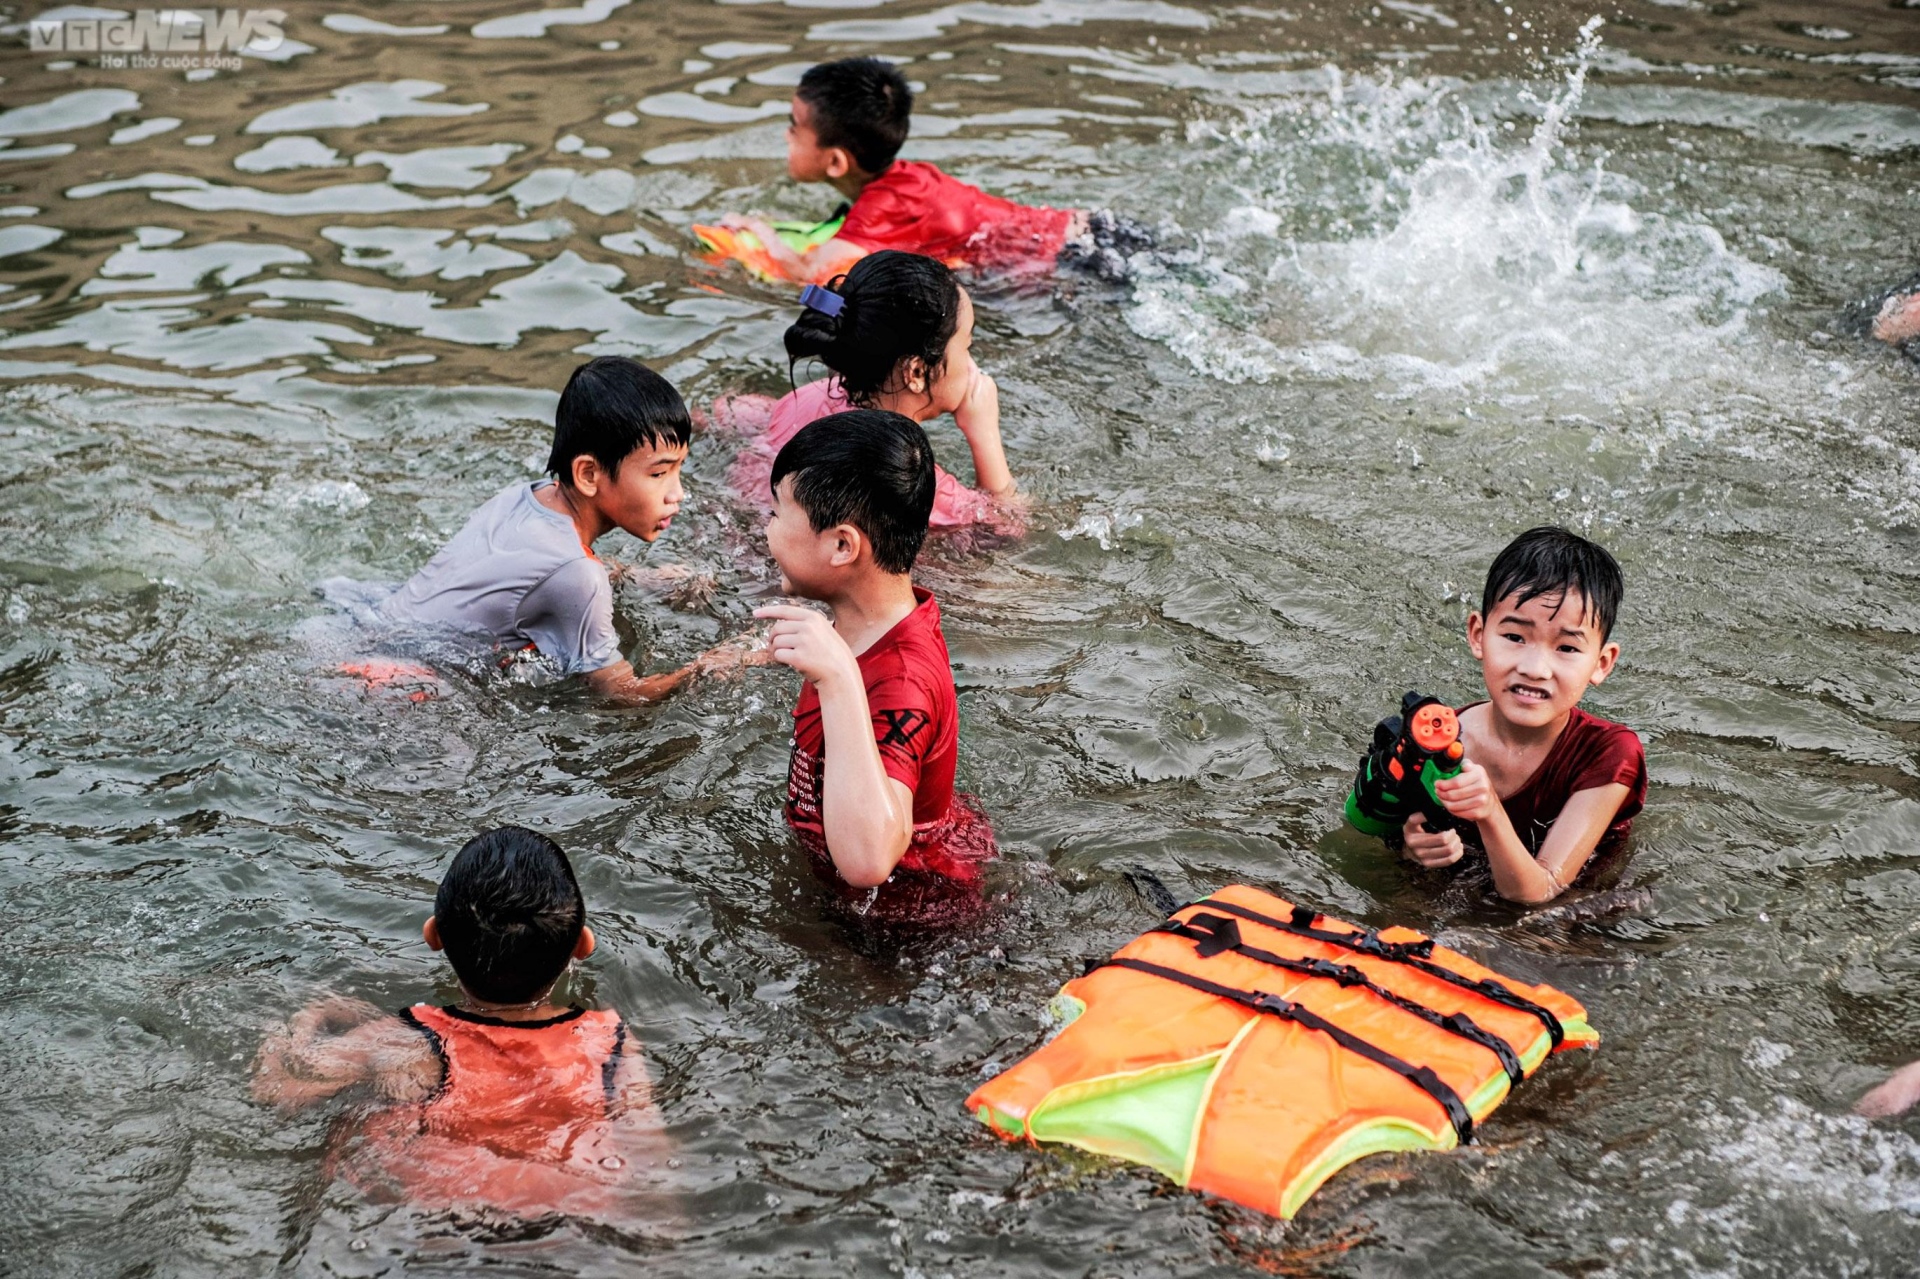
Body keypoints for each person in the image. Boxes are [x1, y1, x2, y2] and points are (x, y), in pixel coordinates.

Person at [252, 826, 668, 1219]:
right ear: (583, 945)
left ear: (433, 936)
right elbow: (649, 1148)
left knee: (352, 1124)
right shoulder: (608, 1038)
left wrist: (303, 1019)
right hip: (578, 1211)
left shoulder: (407, 1038)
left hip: (437, 1218)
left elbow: (280, 1090)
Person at [380, 356, 759, 702]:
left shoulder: (526, 496)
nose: (678, 493)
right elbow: (622, 695)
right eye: (659, 473)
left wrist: (639, 579)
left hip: (378, 625)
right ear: (589, 474)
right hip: (407, 686)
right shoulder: (579, 576)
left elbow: (536, 574)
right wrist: (716, 664)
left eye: (679, 469)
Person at [750, 409, 996, 915]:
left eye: (777, 513)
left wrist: (839, 678)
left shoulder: (901, 678)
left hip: (905, 926)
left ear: (842, 545)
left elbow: (868, 864)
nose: (767, 528)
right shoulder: (868, 626)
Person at [1394, 526, 1648, 904]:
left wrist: (1490, 811)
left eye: (1566, 647)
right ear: (1478, 635)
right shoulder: (1437, 741)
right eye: (1514, 637)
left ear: (1602, 663)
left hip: (1578, 912)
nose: (1535, 668)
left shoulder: (1610, 755)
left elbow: (1539, 891)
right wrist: (1410, 848)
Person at [722, 57, 1114, 282]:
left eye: (794, 125)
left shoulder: (884, 205)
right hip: (1093, 232)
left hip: (1081, 259)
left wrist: (761, 232)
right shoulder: (909, 180)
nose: (786, 134)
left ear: (837, 162)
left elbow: (811, 273)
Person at [717, 250, 1018, 532]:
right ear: (916, 372)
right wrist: (984, 431)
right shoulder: (902, 474)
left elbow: (730, 410)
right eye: (966, 345)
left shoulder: (806, 396)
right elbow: (1008, 526)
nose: (972, 363)